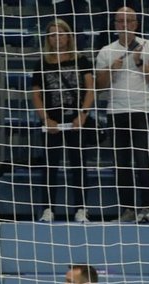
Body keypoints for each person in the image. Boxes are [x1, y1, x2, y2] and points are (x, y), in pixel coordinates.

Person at [95, 7, 149, 222]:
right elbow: (99, 87)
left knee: (143, 161)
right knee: (121, 162)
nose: (124, 24)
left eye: (129, 21)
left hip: (141, 109)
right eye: (120, 21)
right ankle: (127, 209)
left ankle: (148, 209)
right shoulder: (106, 51)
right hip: (116, 111)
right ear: (115, 24)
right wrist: (112, 70)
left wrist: (139, 62)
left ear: (136, 23)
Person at [31, 19, 96, 223]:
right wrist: (45, 119)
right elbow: (36, 94)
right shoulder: (41, 63)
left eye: (61, 34)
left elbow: (90, 89)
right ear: (48, 38)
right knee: (50, 166)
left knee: (79, 165)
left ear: (68, 36)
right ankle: (48, 208)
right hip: (52, 121)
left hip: (76, 119)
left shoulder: (81, 60)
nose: (57, 38)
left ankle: (81, 208)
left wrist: (83, 114)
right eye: (52, 34)